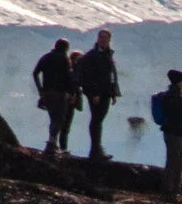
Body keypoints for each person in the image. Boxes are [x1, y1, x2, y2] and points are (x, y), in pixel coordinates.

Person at [75, 28, 120, 159]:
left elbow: (110, 75)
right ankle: (95, 150)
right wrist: (93, 93)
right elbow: (88, 75)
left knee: (98, 119)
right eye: (101, 37)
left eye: (105, 38)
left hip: (105, 93)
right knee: (96, 119)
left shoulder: (107, 55)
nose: (103, 40)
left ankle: (96, 149)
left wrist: (113, 93)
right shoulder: (92, 55)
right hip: (96, 94)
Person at [150, 68, 182, 195]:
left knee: (179, 162)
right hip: (173, 132)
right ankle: (169, 191)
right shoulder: (170, 96)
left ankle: (175, 189)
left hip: (180, 131)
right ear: (178, 82)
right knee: (173, 163)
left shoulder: (177, 95)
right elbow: (177, 112)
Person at [32, 39, 78, 154]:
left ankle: (52, 142)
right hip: (60, 93)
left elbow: (35, 73)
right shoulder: (64, 59)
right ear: (66, 48)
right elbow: (68, 77)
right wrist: (73, 93)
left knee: (53, 118)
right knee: (59, 119)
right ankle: (52, 143)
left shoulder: (46, 57)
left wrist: (40, 90)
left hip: (47, 93)